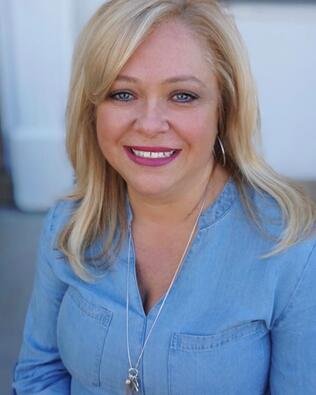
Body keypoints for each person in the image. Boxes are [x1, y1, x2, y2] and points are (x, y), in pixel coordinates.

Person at [13, 0, 316, 394]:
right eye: (123, 94)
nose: (150, 124)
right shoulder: (70, 224)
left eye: (182, 96)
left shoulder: (290, 248)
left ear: (224, 107)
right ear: (92, 110)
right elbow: (39, 375)